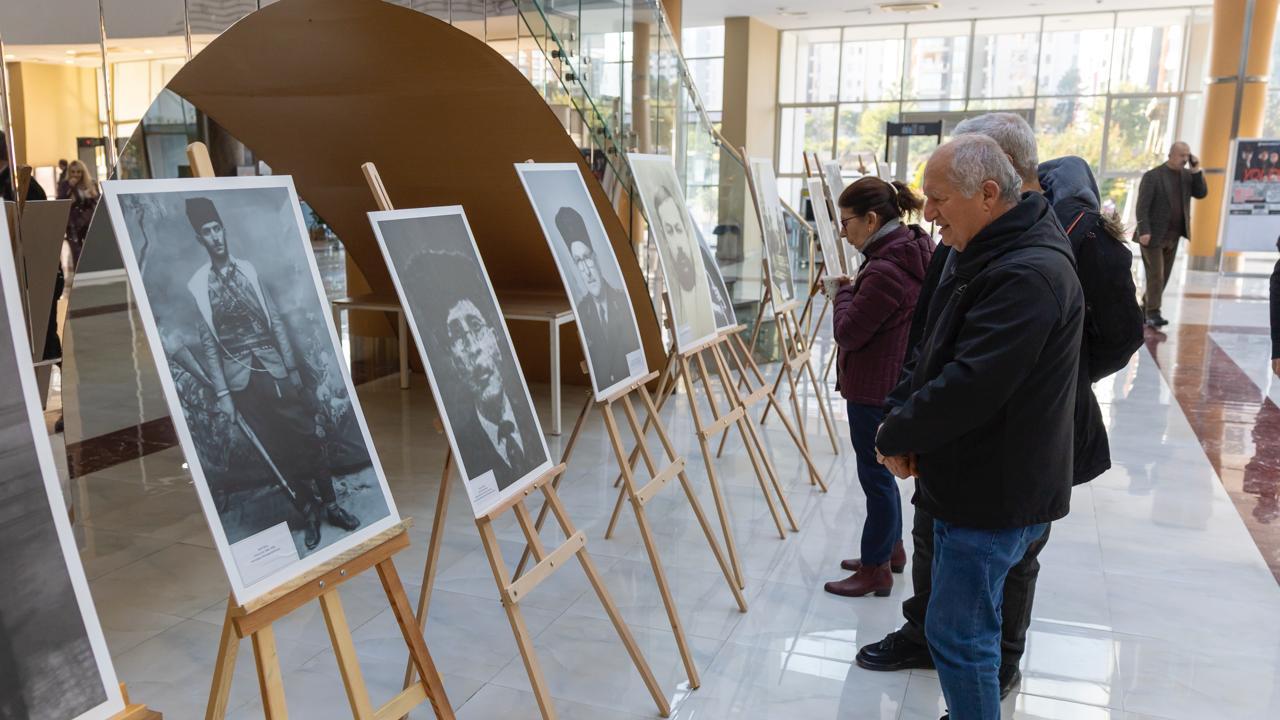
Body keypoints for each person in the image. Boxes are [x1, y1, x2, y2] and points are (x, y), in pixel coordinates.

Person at [857, 112, 1138, 704]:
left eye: (937, 200)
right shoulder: (982, 247)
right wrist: (904, 419)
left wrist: (892, 434)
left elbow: (971, 382)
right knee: (956, 627)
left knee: (962, 637)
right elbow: (930, 343)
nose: (926, 214)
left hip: (996, 483)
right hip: (973, 472)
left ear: (989, 194)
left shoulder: (1027, 269)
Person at [185, 197, 359, 550]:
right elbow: (209, 347)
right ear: (200, 239)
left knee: (307, 438)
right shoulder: (199, 287)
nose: (216, 237)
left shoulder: (248, 271)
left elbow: (275, 321)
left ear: (224, 231)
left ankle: (331, 505)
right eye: (207, 232)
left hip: (274, 370)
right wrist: (223, 396)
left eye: (218, 229)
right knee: (276, 450)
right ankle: (307, 510)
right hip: (241, 383)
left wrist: (291, 370)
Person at [823, 177, 932, 598]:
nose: (843, 232)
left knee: (876, 477)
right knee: (882, 474)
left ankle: (875, 569)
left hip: (874, 388)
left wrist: (841, 293)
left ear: (871, 219)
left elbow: (849, 333)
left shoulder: (886, 268)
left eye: (846, 222)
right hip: (889, 380)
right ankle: (893, 549)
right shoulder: (908, 250)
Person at [440, 297, 538, 491]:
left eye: (477, 327)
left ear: (495, 338)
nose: (474, 348)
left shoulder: (529, 418)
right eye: (458, 337)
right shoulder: (466, 445)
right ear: (454, 362)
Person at [555, 206, 635, 385]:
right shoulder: (582, 312)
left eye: (587, 258)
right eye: (578, 261)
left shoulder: (623, 302)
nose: (586, 271)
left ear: (596, 258)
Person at [1134, 141, 1207, 327]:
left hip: (1173, 236)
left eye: (1187, 155)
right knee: (1156, 275)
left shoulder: (1186, 176)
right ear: (1171, 154)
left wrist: (1196, 169)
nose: (1185, 159)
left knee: (1163, 276)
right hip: (1153, 235)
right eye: (1182, 155)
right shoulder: (1153, 176)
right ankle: (1153, 312)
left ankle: (1144, 309)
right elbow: (1142, 206)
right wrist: (1144, 230)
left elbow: (1201, 193)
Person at [56, 159, 99, 270]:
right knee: (76, 252)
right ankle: (79, 278)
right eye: (73, 171)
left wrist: (93, 196)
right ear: (69, 172)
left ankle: (91, 273)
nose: (76, 174)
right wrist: (69, 190)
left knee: (91, 250)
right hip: (72, 224)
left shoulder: (91, 183)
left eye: (79, 171)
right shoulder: (64, 185)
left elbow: (98, 203)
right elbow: (60, 202)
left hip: (88, 221)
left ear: (83, 172)